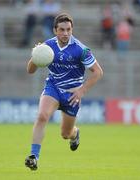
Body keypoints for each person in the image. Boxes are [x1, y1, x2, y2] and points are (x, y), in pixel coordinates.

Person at [25, 13, 103, 170]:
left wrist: (82, 91)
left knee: (65, 134)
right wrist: (36, 56)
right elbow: (30, 71)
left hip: (72, 95)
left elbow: (98, 72)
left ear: (72, 29)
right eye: (62, 29)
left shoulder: (81, 50)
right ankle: (34, 156)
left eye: (68, 29)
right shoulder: (47, 47)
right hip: (53, 88)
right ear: (55, 30)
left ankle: (75, 134)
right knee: (42, 116)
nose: (65, 33)